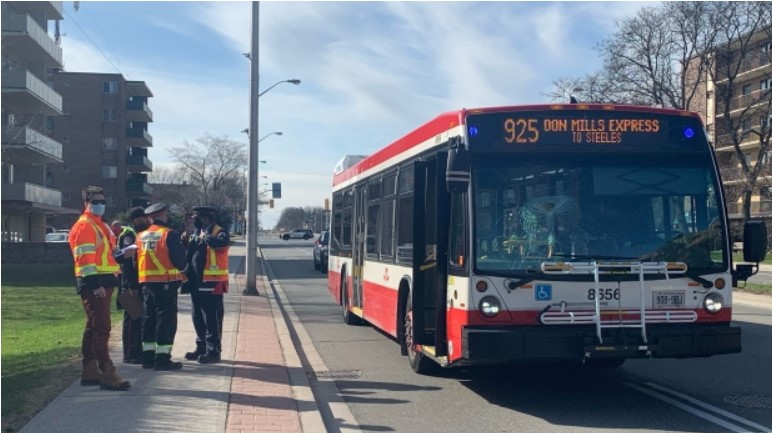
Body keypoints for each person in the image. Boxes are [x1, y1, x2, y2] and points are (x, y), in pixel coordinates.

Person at [68, 186, 131, 391]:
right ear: (86, 203)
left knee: (93, 327)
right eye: (96, 201)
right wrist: (95, 285)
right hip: (95, 282)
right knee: (102, 328)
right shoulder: (86, 225)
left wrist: (123, 254)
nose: (100, 205)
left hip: (103, 280)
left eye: (103, 201)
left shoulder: (100, 225)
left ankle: (90, 371)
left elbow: (108, 254)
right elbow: (84, 258)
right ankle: (107, 372)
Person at [135, 203, 187, 370]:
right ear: (164, 215)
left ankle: (148, 358)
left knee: (148, 320)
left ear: (150, 217)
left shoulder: (141, 236)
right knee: (166, 321)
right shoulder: (169, 235)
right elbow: (180, 261)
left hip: (146, 284)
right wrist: (186, 271)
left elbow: (136, 260)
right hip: (165, 284)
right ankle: (163, 358)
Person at [184, 206, 230, 364]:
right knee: (197, 316)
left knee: (211, 317)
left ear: (205, 218)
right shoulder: (196, 233)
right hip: (196, 281)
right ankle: (201, 347)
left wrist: (206, 238)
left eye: (196, 216)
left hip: (212, 282)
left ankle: (213, 351)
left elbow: (222, 243)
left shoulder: (219, 231)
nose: (193, 219)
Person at [115, 207, 150, 364]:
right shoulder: (129, 235)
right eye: (143, 218)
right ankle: (129, 353)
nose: (146, 220)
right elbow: (127, 263)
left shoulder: (140, 234)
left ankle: (137, 351)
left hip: (138, 282)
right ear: (136, 219)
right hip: (129, 283)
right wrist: (132, 286)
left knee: (138, 319)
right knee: (131, 319)